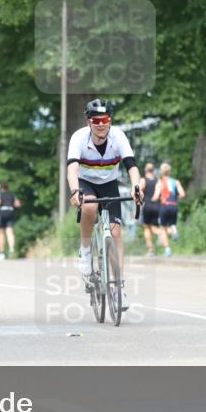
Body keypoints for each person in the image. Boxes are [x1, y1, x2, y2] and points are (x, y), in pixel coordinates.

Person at [66, 99, 144, 305]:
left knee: (116, 231)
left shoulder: (118, 137)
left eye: (105, 119)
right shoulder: (79, 139)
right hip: (85, 182)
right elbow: (72, 168)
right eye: (96, 120)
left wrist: (137, 188)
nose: (101, 124)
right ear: (88, 122)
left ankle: (118, 287)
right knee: (89, 206)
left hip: (109, 183)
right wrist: (75, 190)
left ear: (110, 121)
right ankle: (85, 251)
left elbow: (132, 167)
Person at [155, 162, 186, 256]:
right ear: (169, 171)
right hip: (174, 205)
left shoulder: (160, 182)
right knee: (172, 224)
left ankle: (167, 250)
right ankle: (174, 230)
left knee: (163, 228)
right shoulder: (176, 182)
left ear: (161, 172)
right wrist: (176, 198)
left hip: (164, 206)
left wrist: (152, 200)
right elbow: (183, 194)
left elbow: (156, 196)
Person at [138, 162, 165, 256]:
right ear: (153, 170)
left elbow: (140, 192)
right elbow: (158, 194)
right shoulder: (158, 181)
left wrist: (140, 204)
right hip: (157, 206)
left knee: (146, 228)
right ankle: (160, 233)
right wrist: (154, 199)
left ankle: (150, 250)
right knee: (153, 226)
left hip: (147, 205)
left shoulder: (143, 180)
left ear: (146, 170)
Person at [0, 183, 21, 260]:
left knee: (1, 233)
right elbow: (18, 204)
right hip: (11, 212)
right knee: (10, 232)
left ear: (1, 188)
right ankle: (12, 249)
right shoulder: (12, 195)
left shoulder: (0, 194)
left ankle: (1, 252)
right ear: (8, 188)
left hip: (3, 213)